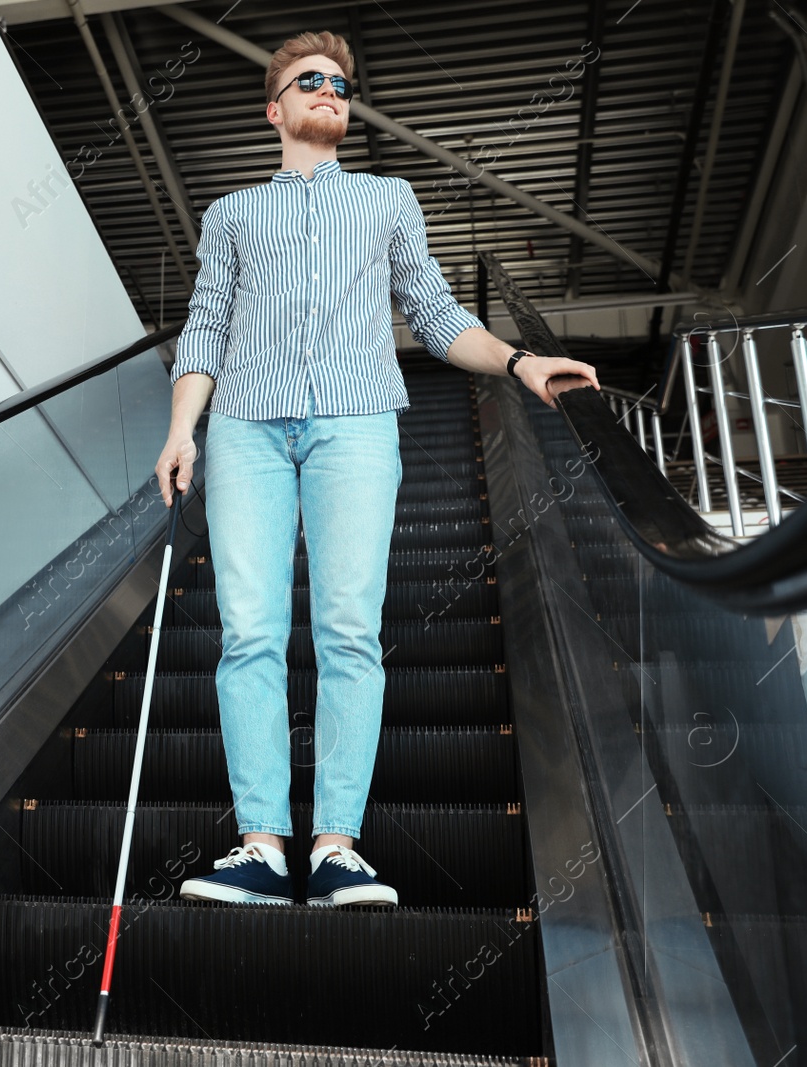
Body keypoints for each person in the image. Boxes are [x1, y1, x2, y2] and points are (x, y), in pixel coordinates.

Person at [156, 30, 599, 907]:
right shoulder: (232, 213)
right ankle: (257, 845)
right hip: (245, 428)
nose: (331, 90)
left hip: (357, 427)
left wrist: (520, 363)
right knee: (247, 631)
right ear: (274, 108)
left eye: (341, 83)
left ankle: (335, 846)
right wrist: (183, 430)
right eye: (309, 80)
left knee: (349, 629)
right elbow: (205, 325)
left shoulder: (390, 199)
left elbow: (434, 312)